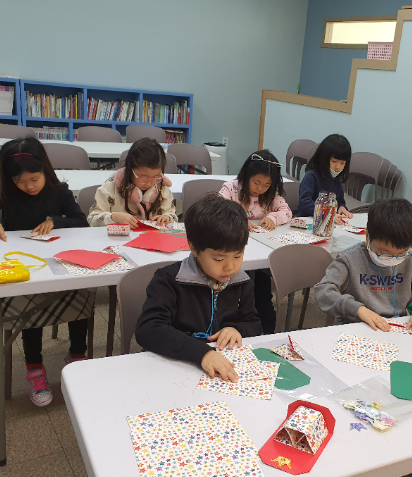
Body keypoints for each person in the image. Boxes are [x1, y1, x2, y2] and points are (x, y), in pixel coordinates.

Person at [0, 137, 92, 407]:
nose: (28, 186)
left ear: (45, 171)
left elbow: (80, 221)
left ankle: (77, 355)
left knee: (81, 291)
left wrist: (54, 221)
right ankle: (34, 366)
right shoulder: (5, 190)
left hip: (57, 263)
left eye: (34, 179)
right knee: (30, 307)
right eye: (20, 182)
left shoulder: (59, 191)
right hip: (23, 267)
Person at [135, 194, 262, 382]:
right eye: (219, 259)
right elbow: (149, 329)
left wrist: (237, 329)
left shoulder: (241, 281)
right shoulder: (170, 280)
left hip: (219, 371)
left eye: (238, 256)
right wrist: (201, 353)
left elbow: (254, 323)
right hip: (174, 366)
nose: (230, 267)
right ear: (194, 248)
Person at [314, 198, 412, 333]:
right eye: (384, 252)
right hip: (356, 326)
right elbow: (323, 291)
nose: (393, 259)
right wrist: (358, 309)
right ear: (368, 237)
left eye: (400, 253)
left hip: (396, 327)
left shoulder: (410, 258)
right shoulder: (349, 259)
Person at [218, 149, 291, 333]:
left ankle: (265, 332)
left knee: (262, 297)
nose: (260, 189)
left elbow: (287, 212)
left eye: (266, 185)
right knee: (228, 297)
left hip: (260, 256)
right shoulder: (232, 188)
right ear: (246, 175)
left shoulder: (271, 195)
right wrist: (240, 219)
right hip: (232, 255)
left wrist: (273, 218)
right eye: (256, 182)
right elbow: (216, 208)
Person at [88, 137, 177, 228]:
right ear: (130, 170)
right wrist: (113, 217)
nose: (150, 183)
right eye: (143, 177)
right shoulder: (110, 188)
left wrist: (167, 217)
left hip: (152, 239)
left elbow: (172, 215)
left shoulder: (161, 187)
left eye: (156, 176)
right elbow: (92, 220)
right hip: (118, 241)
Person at [297, 133, 354, 224]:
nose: (338, 167)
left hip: (327, 225)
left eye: (342, 163)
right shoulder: (311, 177)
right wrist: (326, 214)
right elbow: (304, 204)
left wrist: (342, 208)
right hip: (308, 223)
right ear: (324, 158)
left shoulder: (336, 181)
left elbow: (340, 202)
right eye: (334, 161)